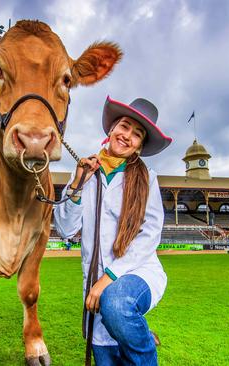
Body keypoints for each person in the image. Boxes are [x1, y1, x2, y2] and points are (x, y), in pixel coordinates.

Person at [54, 96, 172, 365]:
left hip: (137, 272)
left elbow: (150, 233)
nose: (127, 136)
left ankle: (142, 347)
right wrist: (77, 186)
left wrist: (108, 278)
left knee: (116, 304)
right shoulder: (85, 172)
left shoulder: (147, 179)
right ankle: (137, 333)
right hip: (95, 280)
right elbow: (64, 229)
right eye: (124, 126)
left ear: (139, 146)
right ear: (111, 130)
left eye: (137, 134)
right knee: (107, 351)